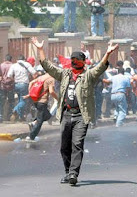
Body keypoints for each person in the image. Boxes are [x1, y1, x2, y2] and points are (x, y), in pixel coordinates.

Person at [30, 36, 118, 186]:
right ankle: (67, 171)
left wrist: (107, 53)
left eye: (77, 60)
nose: (74, 62)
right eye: (72, 59)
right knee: (64, 146)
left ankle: (73, 173)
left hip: (81, 116)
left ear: (82, 62)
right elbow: (47, 66)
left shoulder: (88, 75)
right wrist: (40, 49)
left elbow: (100, 67)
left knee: (77, 143)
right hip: (66, 114)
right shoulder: (65, 74)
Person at [25, 73, 58, 140]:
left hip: (36, 101)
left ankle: (33, 123)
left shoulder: (41, 77)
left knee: (47, 116)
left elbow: (31, 83)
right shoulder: (51, 79)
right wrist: (58, 99)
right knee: (40, 121)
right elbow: (51, 91)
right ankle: (31, 137)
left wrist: (30, 93)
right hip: (42, 102)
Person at [7, 55, 37, 122]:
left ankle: (21, 118)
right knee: (24, 101)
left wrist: (14, 80)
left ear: (17, 59)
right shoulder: (26, 64)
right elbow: (34, 72)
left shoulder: (14, 65)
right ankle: (15, 109)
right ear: (24, 59)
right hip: (24, 85)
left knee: (20, 100)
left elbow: (9, 75)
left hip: (16, 85)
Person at [0, 54, 14, 122]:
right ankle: (9, 116)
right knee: (11, 101)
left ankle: (0, 116)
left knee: (2, 101)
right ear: (11, 59)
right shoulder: (13, 65)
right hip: (11, 86)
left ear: (5, 59)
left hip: (3, 86)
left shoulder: (1, 65)